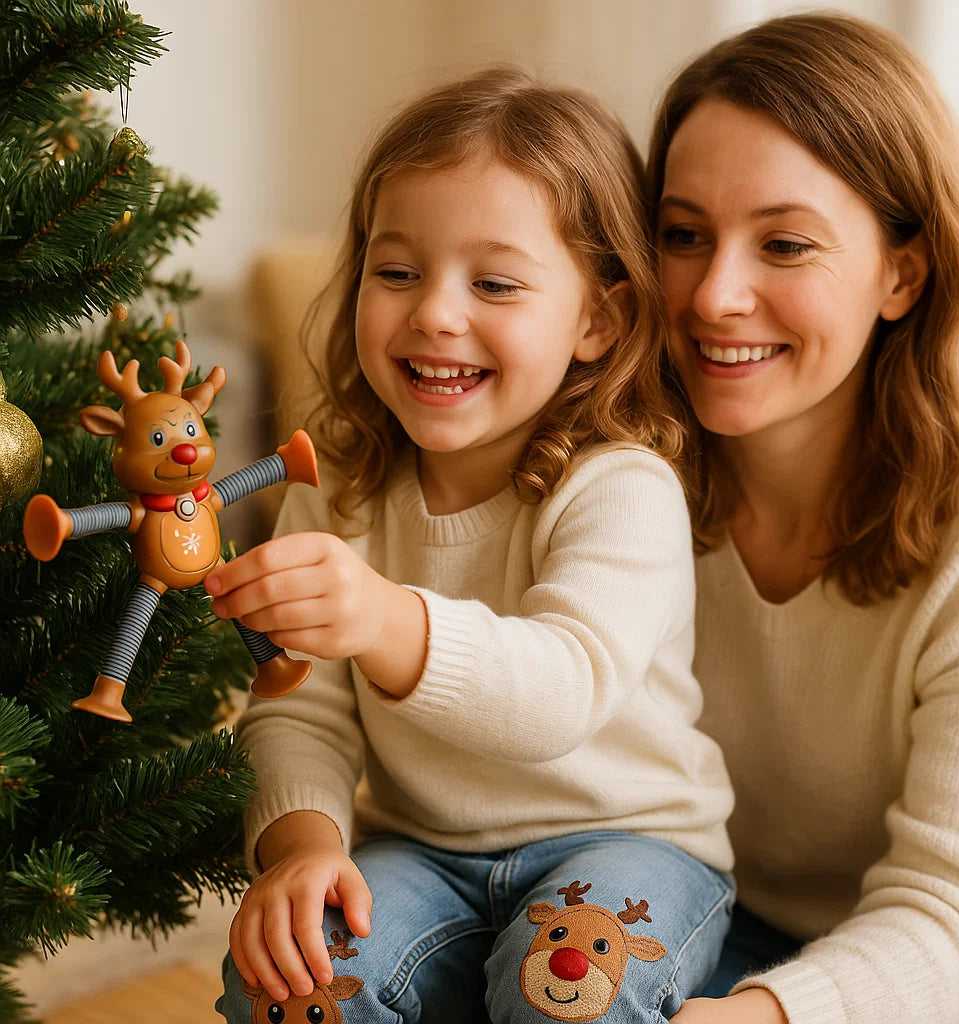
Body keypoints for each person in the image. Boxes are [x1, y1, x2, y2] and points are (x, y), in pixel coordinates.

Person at [210, 67, 736, 1023]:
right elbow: (296, 711)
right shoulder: (343, 483)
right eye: (397, 270)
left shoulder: (622, 485)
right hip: (420, 851)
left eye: (494, 282)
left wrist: (380, 617)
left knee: (567, 991)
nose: (435, 313)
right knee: (292, 988)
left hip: (627, 843)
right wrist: (304, 847)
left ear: (597, 320)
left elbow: (562, 691)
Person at [645, 12, 959, 1024]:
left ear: (902, 271)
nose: (717, 294)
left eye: (784, 243)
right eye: (683, 235)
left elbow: (958, 909)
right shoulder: (614, 468)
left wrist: (761, 1015)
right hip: (700, 913)